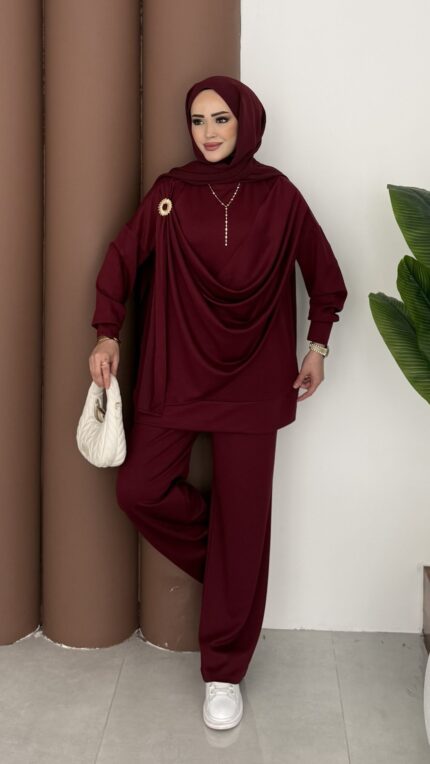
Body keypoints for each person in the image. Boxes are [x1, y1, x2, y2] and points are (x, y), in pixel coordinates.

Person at [89, 74, 348, 731]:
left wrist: (317, 346)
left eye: (221, 119)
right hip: (177, 371)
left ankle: (224, 671)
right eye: (198, 120)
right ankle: (239, 572)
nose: (207, 132)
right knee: (139, 489)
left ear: (246, 123)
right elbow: (122, 258)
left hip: (255, 381)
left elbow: (325, 276)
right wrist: (106, 332)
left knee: (244, 516)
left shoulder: (280, 195)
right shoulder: (171, 193)